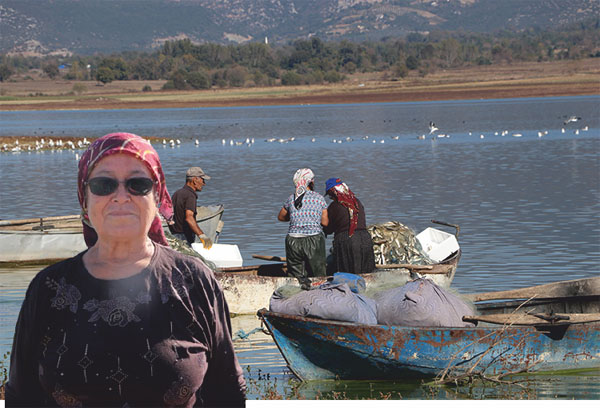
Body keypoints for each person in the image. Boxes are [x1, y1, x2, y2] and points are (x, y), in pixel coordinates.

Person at [6, 133, 246, 407]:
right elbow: (21, 397)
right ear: (84, 199)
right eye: (103, 184)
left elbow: (227, 392)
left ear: (158, 196)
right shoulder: (48, 288)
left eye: (138, 184)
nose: (121, 197)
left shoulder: (194, 281)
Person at [277, 168, 329, 290]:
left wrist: (295, 217)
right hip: (314, 240)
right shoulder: (319, 198)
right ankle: (319, 295)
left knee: (295, 276)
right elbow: (325, 222)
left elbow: (281, 217)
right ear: (311, 182)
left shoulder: (291, 199)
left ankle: (295, 297)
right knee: (318, 274)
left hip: (293, 240)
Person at [323, 177, 376, 275]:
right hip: (365, 238)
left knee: (348, 272)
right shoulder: (357, 202)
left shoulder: (335, 206)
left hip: (347, 239)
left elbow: (329, 229)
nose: (331, 198)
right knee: (367, 272)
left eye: (330, 196)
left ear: (333, 193)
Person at [171, 167, 213, 248]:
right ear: (195, 180)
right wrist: (202, 236)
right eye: (202, 180)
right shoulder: (190, 195)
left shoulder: (177, 193)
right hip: (184, 239)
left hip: (174, 237)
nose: (204, 183)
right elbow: (189, 218)